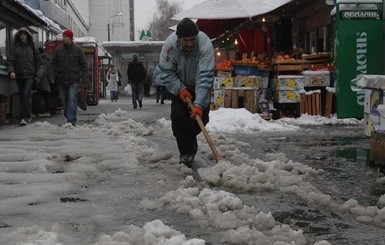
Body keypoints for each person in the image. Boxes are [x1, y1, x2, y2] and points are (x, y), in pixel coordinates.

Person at [158, 18, 215, 168]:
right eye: (186, 40)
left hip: (199, 86)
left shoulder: (205, 45)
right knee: (178, 119)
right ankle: (186, 153)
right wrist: (180, 89)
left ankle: (189, 141)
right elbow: (165, 72)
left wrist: (199, 104)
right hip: (178, 86)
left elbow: (204, 76)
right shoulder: (170, 47)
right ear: (178, 38)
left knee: (199, 121)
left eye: (192, 39)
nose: (190, 43)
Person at [50, 29, 88, 126]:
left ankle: (71, 120)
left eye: (66, 37)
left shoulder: (78, 50)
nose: (64, 38)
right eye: (63, 37)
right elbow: (52, 64)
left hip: (73, 79)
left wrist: (84, 79)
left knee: (72, 99)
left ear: (70, 38)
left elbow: (84, 65)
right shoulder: (58, 50)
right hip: (61, 79)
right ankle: (68, 116)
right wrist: (52, 76)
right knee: (64, 100)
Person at [8, 27, 44, 126]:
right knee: (24, 96)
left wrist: (38, 77)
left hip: (29, 76)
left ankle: (24, 117)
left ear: (27, 36)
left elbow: (39, 63)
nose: (22, 36)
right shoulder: (15, 48)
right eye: (21, 35)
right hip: (19, 76)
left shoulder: (32, 48)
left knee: (25, 94)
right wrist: (11, 71)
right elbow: (11, 61)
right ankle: (28, 115)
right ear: (18, 36)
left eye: (24, 35)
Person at [35, 47, 53, 116]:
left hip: (43, 79)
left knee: (45, 95)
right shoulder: (47, 58)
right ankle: (48, 110)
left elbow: (43, 70)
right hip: (47, 79)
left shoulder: (41, 59)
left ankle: (46, 110)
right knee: (47, 94)